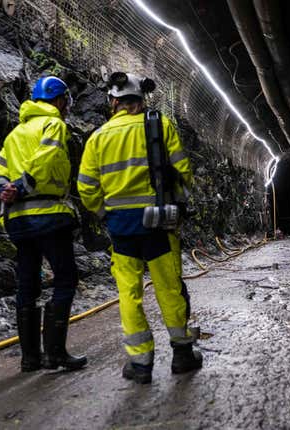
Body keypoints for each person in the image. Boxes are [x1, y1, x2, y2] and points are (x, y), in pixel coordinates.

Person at [77, 72, 201, 384]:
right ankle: (183, 355)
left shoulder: (98, 137)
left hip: (122, 229)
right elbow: (182, 170)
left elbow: (86, 187)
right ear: (140, 100)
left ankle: (141, 363)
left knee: (129, 293)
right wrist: (179, 208)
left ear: (113, 102)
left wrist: (105, 213)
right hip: (159, 223)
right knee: (169, 288)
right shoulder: (160, 126)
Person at [0, 76, 87, 372]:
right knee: (66, 279)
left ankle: (30, 358)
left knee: (27, 284)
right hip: (49, 215)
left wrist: (3, 187)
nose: (67, 108)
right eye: (66, 102)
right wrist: (22, 185)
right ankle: (56, 354)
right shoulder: (54, 124)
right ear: (60, 100)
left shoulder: (15, 133)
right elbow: (48, 156)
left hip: (18, 220)